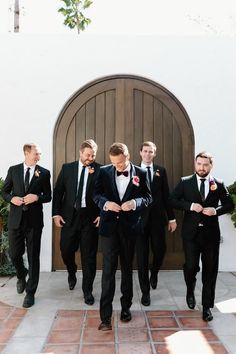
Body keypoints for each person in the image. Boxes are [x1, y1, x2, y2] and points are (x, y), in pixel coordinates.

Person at [94, 142, 152, 331]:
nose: (117, 166)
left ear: (127, 156)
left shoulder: (141, 174)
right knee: (108, 272)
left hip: (130, 229)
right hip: (109, 229)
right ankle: (105, 317)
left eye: (120, 163)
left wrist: (135, 203)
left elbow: (148, 197)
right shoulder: (103, 172)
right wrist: (105, 204)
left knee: (127, 270)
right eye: (114, 163)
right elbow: (95, 194)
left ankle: (126, 308)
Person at [169, 151, 234, 321]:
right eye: (199, 164)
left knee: (210, 271)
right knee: (191, 267)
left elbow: (229, 204)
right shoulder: (185, 182)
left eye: (205, 164)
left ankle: (206, 307)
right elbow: (172, 200)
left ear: (211, 166)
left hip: (211, 235)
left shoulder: (218, 183)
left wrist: (216, 210)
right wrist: (189, 206)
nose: (202, 167)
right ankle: (190, 289)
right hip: (190, 234)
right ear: (195, 164)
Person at [2, 143, 51, 308]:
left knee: (33, 256)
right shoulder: (13, 170)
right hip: (16, 220)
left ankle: (30, 292)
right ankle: (21, 273)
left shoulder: (44, 173)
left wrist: (37, 197)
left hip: (34, 222)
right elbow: (4, 191)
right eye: (36, 153)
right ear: (26, 153)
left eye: (40, 154)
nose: (38, 156)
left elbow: (48, 196)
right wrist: (11, 199)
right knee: (14, 254)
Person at [52, 139, 101, 305]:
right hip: (69, 217)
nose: (90, 158)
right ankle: (71, 272)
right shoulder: (67, 168)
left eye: (93, 155)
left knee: (89, 257)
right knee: (65, 250)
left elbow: (108, 192)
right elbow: (58, 192)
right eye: (87, 155)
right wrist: (56, 214)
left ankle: (87, 291)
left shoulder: (101, 170)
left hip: (90, 219)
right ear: (80, 153)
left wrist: (102, 214)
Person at [136, 141, 177, 306]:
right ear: (140, 153)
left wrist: (172, 218)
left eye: (150, 151)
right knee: (141, 256)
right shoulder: (133, 170)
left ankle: (154, 272)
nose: (147, 154)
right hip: (138, 221)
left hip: (158, 219)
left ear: (154, 154)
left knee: (160, 250)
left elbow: (166, 195)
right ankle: (145, 292)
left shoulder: (161, 170)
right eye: (145, 151)